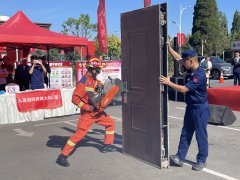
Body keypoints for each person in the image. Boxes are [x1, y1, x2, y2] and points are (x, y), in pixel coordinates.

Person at [56, 57, 116, 167]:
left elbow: (102, 91)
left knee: (110, 123)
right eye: (97, 70)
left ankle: (107, 145)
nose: (98, 72)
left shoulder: (95, 81)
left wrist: (111, 88)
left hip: (97, 112)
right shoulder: (83, 82)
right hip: (88, 114)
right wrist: (86, 107)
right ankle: (62, 156)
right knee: (79, 135)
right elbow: (75, 99)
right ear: (92, 69)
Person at [159, 42, 209, 171]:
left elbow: (183, 89)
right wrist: (169, 48)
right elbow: (177, 58)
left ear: (191, 61)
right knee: (186, 133)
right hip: (191, 108)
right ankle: (180, 157)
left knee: (200, 135)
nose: (183, 63)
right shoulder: (190, 67)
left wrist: (168, 83)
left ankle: (202, 160)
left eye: (185, 61)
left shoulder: (199, 75)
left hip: (200, 109)